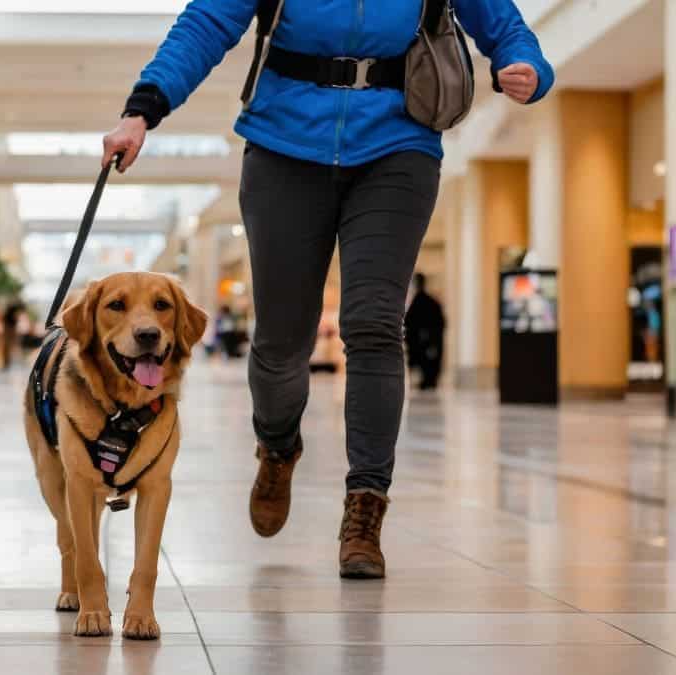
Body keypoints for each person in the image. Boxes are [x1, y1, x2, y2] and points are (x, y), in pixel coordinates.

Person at [103, 0, 552, 579]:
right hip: (285, 143)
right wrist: (145, 108)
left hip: (399, 143)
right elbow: (207, 22)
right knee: (282, 338)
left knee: (373, 324)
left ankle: (366, 507)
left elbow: (503, 24)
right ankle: (278, 444)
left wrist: (527, 65)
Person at [405, 273, 446, 390]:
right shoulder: (431, 303)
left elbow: (409, 325)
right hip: (429, 345)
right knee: (429, 371)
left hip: (425, 345)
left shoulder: (420, 303)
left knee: (427, 370)